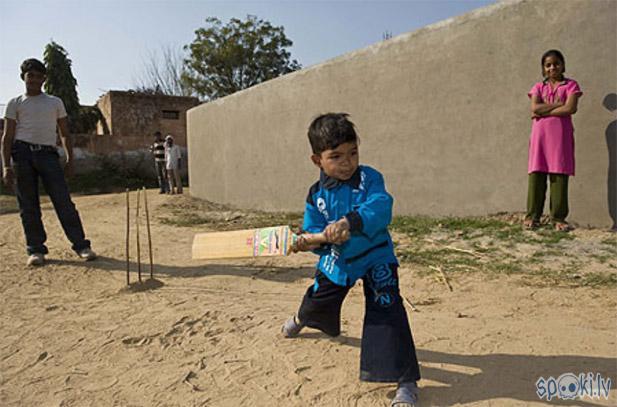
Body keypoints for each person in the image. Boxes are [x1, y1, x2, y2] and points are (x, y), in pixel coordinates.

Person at [282, 113, 421, 407]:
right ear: (317, 160)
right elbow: (312, 233)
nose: (347, 162)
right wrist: (309, 242)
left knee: (388, 307)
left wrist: (350, 222)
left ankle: (405, 381)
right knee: (319, 300)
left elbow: (381, 207)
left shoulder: (371, 178)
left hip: (376, 255)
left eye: (353, 153)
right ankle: (301, 318)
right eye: (336, 156)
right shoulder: (315, 195)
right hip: (339, 262)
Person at [1, 58, 97, 266]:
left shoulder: (55, 102)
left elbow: (64, 133)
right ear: (23, 78)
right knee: (28, 205)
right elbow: (7, 137)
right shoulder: (15, 103)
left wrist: (70, 159)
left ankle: (82, 245)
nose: (34, 80)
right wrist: (6, 165)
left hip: (48, 155)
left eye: (38, 76)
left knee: (63, 202)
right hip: (22, 154)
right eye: (30, 76)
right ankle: (36, 250)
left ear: (44, 78)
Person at [524, 49, 582, 232]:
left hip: (560, 138)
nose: (552, 67)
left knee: (559, 175)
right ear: (543, 69)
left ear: (563, 65)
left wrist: (544, 110)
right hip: (539, 138)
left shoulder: (571, 85)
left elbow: (570, 108)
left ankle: (558, 218)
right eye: (548, 65)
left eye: (556, 63)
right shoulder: (538, 87)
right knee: (536, 175)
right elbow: (534, 108)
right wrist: (559, 104)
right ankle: (532, 216)